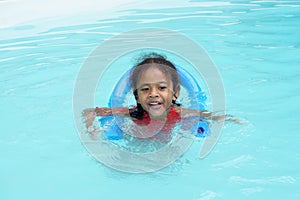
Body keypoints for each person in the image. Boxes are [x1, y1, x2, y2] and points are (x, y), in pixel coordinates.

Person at [82, 53, 242, 141]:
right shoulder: (133, 113)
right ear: (137, 96)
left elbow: (208, 115)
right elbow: (91, 111)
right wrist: (91, 130)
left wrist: (228, 119)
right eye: (145, 89)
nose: (153, 94)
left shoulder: (178, 114)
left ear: (175, 93)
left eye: (162, 87)